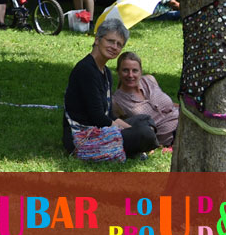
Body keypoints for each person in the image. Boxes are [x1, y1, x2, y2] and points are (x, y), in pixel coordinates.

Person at [62, 18, 158, 158]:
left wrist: (131, 130)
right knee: (145, 133)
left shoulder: (106, 72)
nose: (114, 47)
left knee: (145, 120)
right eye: (110, 41)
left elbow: (109, 115)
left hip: (102, 128)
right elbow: (98, 118)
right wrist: (133, 131)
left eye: (119, 44)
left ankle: (136, 145)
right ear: (97, 40)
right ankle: (139, 145)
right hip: (84, 135)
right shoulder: (86, 70)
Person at [112, 52, 179, 147]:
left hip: (183, 118)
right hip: (171, 135)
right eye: (125, 70)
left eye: (135, 70)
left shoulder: (149, 80)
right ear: (118, 71)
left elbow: (171, 105)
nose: (130, 75)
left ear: (141, 71)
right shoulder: (117, 101)